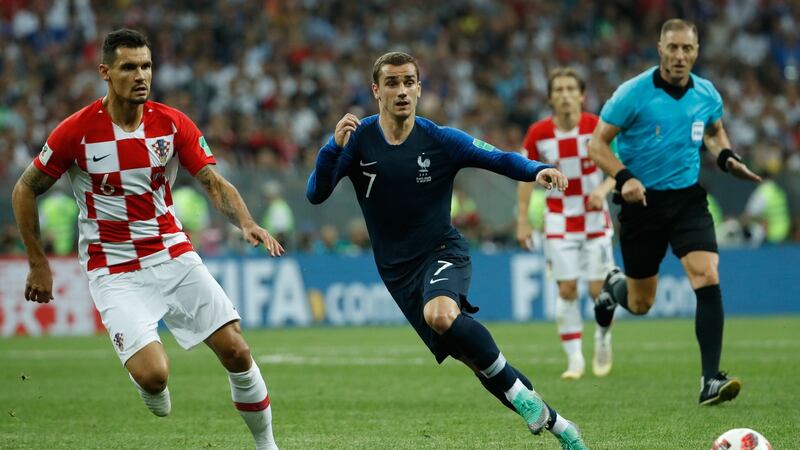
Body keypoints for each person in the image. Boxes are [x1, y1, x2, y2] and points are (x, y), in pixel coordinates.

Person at [11, 29, 283, 449]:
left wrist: (245, 222)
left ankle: (268, 446)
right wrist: (38, 263)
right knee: (155, 376)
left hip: (171, 252)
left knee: (237, 350)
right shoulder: (76, 131)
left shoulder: (171, 124)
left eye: (146, 66)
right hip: (113, 268)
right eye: (129, 67)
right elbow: (24, 189)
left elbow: (212, 182)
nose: (141, 76)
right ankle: (150, 385)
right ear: (105, 72)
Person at [307, 51, 588, 450]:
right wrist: (331, 149)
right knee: (476, 361)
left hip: (442, 251)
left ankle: (524, 399)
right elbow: (316, 193)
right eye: (392, 83)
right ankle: (562, 428)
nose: (401, 91)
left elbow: (497, 157)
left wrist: (536, 169)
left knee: (440, 314)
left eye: (409, 82)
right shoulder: (358, 140)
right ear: (376, 91)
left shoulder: (439, 139)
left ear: (419, 89)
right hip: (398, 272)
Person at [587, 19, 762, 406]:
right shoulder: (632, 94)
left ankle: (710, 380)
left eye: (687, 48)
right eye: (673, 48)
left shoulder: (706, 93)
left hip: (687, 200)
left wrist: (727, 157)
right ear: (660, 49)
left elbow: (714, 132)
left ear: (696, 51)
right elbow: (596, 144)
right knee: (641, 304)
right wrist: (624, 177)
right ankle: (613, 287)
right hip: (641, 204)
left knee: (707, 275)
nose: (680, 55)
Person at [517, 68, 616, 380]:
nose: (564, 95)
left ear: (582, 95)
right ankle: (575, 360)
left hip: (594, 218)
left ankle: (603, 337)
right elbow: (525, 176)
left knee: (599, 290)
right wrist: (522, 220)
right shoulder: (538, 133)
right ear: (549, 98)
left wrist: (602, 190)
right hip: (558, 220)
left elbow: (618, 167)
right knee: (568, 288)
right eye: (558, 90)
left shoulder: (597, 126)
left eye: (571, 89)